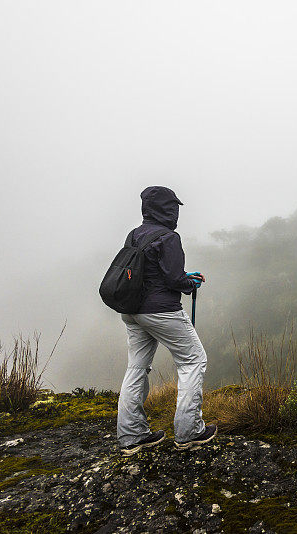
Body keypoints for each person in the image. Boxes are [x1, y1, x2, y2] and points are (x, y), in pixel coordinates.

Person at [116, 186, 217, 456]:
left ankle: (132, 436)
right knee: (194, 360)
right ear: (166, 209)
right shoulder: (169, 237)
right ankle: (189, 432)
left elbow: (150, 272)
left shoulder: (134, 234)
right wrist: (189, 282)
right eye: (174, 207)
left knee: (136, 368)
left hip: (132, 311)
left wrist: (183, 277)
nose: (176, 213)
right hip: (161, 311)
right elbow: (173, 279)